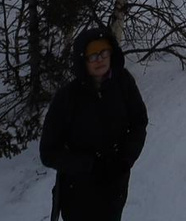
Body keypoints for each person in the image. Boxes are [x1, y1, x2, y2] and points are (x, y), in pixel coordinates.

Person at [40, 26, 150, 220]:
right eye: (92, 56)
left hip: (115, 187)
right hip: (78, 193)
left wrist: (125, 159)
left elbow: (138, 122)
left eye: (103, 52)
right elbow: (49, 153)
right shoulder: (67, 97)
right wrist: (89, 166)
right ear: (83, 60)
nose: (99, 59)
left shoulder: (123, 83)